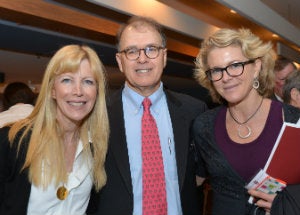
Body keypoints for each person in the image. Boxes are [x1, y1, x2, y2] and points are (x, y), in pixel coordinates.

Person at [87, 16, 207, 215]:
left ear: (164, 56)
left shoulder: (194, 111)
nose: (142, 58)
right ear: (120, 61)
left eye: (152, 49)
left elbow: (200, 176)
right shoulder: (97, 112)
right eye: (132, 51)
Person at [193, 28, 300, 215]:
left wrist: (289, 202)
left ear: (256, 66)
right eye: (216, 70)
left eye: (235, 65)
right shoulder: (204, 125)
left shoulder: (293, 120)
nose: (226, 77)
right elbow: (193, 182)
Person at [0, 44, 109, 215]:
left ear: (97, 93)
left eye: (88, 82)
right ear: (52, 90)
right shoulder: (13, 141)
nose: (78, 91)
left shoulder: (97, 149)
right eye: (67, 80)